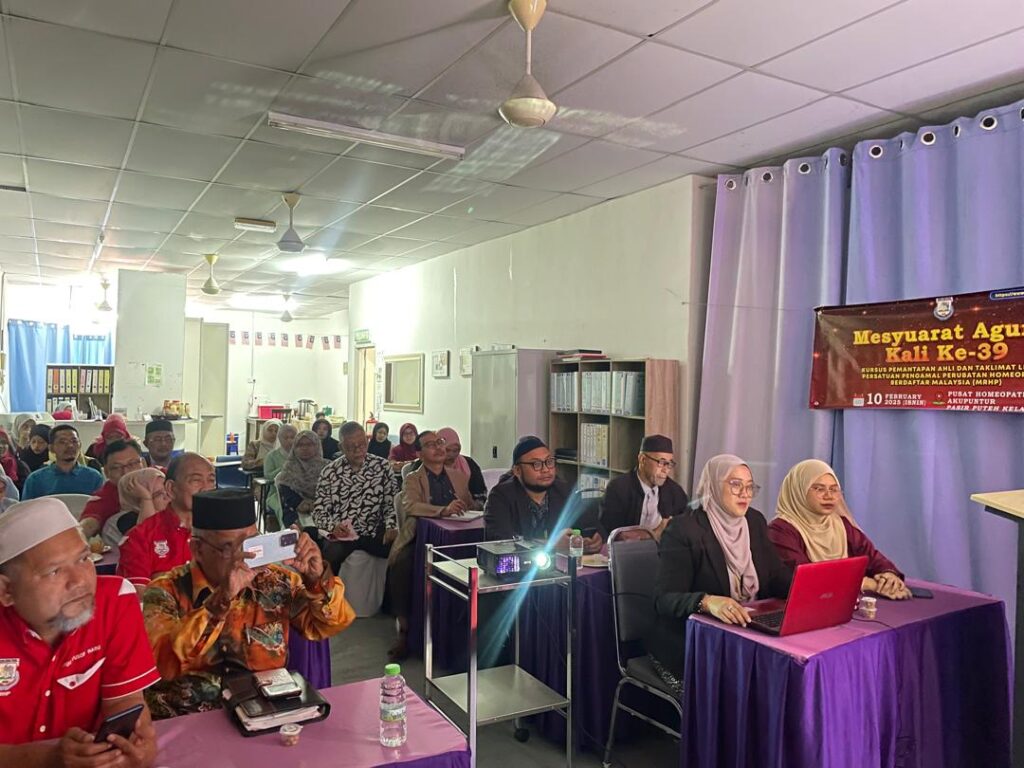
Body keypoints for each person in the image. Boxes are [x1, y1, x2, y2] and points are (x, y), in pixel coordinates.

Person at [142, 489, 355, 719]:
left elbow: (329, 625)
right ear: (197, 549)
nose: (244, 558)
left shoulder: (276, 582)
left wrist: (316, 580)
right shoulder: (164, 591)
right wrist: (222, 599)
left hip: (263, 713)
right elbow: (164, 665)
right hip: (185, 719)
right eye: (229, 547)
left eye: (252, 544)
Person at [0, 497, 162, 765]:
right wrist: (49, 759)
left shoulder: (114, 601)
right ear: (6, 590)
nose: (80, 581)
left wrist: (134, 745)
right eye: (54, 571)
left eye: (84, 558)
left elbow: (125, 701)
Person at [646, 454, 793, 693]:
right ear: (714, 485)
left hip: (744, 632)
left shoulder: (754, 521)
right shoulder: (684, 529)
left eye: (749, 487)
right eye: (735, 485)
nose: (745, 494)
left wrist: (809, 589)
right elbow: (664, 599)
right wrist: (707, 601)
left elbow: (775, 575)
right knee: (744, 687)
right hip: (692, 641)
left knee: (782, 674)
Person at [389, 429, 483, 660]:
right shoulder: (413, 478)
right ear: (419, 454)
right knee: (401, 565)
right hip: (420, 537)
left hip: (456, 536)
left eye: (440, 442)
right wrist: (442, 510)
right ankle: (405, 631)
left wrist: (471, 506)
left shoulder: (459, 476)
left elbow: (470, 504)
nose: (439, 447)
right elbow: (410, 505)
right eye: (431, 445)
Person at [768, 459, 910, 599]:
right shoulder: (781, 530)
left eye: (834, 489)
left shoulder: (840, 524)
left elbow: (871, 556)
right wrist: (866, 583)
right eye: (819, 489)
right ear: (798, 491)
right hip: (804, 606)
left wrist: (888, 576)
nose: (829, 496)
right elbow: (807, 579)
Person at [118, 453, 216, 592]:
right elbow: (138, 596)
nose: (206, 488)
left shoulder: (226, 531)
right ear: (171, 488)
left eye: (211, 480)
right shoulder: (140, 536)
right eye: (196, 480)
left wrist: (164, 581)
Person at [484, 436, 600, 552]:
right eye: (536, 464)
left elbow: (590, 525)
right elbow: (503, 543)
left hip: (561, 562)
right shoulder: (500, 497)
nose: (545, 470)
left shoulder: (563, 490)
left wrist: (593, 539)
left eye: (549, 462)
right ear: (517, 470)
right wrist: (551, 545)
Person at [313, 422, 399, 575]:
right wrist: (333, 526)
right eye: (351, 447)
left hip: (374, 533)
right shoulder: (330, 472)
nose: (358, 450)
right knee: (329, 556)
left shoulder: (383, 467)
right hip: (343, 535)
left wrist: (391, 526)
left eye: (362, 444)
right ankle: (329, 589)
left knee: (402, 554)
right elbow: (319, 512)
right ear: (341, 447)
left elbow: (391, 504)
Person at [599, 435, 690, 541]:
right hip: (628, 550)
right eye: (661, 463)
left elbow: (684, 529)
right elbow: (618, 535)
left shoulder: (675, 492)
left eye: (669, 464)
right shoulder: (618, 489)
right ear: (642, 460)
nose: (666, 470)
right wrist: (655, 533)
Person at [80, 440, 147, 538]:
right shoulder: (104, 496)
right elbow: (89, 523)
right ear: (106, 472)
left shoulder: (162, 478)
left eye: (132, 464)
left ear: (144, 464)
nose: (126, 472)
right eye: (117, 467)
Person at [21, 424, 103, 501]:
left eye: (74, 441)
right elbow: (27, 509)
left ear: (80, 445)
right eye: (62, 442)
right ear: (51, 448)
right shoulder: (36, 480)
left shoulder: (94, 478)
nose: (70, 446)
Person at [102, 468, 170, 548]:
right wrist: (146, 498)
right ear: (138, 501)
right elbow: (149, 535)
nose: (168, 495)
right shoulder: (127, 520)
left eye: (167, 488)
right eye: (158, 494)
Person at [277, 430, 329, 528]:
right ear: (294, 448)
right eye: (300, 445)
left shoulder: (328, 467)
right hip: (296, 510)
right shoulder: (289, 468)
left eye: (309, 444)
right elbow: (288, 494)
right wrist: (302, 504)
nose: (304, 448)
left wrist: (319, 505)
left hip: (325, 508)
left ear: (317, 445)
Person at [263, 423, 297, 525]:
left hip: (297, 492)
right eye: (286, 438)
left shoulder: (300, 455)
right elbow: (268, 476)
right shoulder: (271, 456)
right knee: (282, 507)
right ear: (280, 439)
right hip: (275, 494)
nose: (289, 441)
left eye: (292, 437)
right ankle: (286, 530)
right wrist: (284, 467)